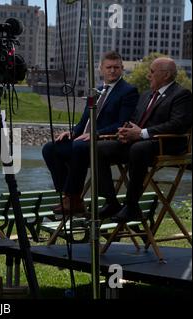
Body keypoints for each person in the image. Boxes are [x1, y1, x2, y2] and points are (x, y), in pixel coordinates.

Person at [42, 51, 139, 215]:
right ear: (101, 69)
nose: (113, 71)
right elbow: (85, 120)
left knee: (79, 147)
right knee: (51, 148)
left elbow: (122, 123)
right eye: (109, 67)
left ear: (122, 69)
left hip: (106, 142)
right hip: (84, 139)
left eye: (116, 67)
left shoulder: (128, 91)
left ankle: (72, 199)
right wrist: (72, 132)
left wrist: (96, 134)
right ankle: (69, 196)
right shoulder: (97, 90)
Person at [97, 57, 192, 222]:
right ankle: (111, 202)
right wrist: (126, 131)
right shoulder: (147, 95)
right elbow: (134, 119)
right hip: (140, 143)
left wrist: (142, 133)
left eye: (152, 72)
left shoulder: (181, 94)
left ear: (166, 75)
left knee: (138, 149)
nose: (148, 76)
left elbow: (178, 125)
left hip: (165, 145)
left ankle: (132, 206)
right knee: (98, 148)